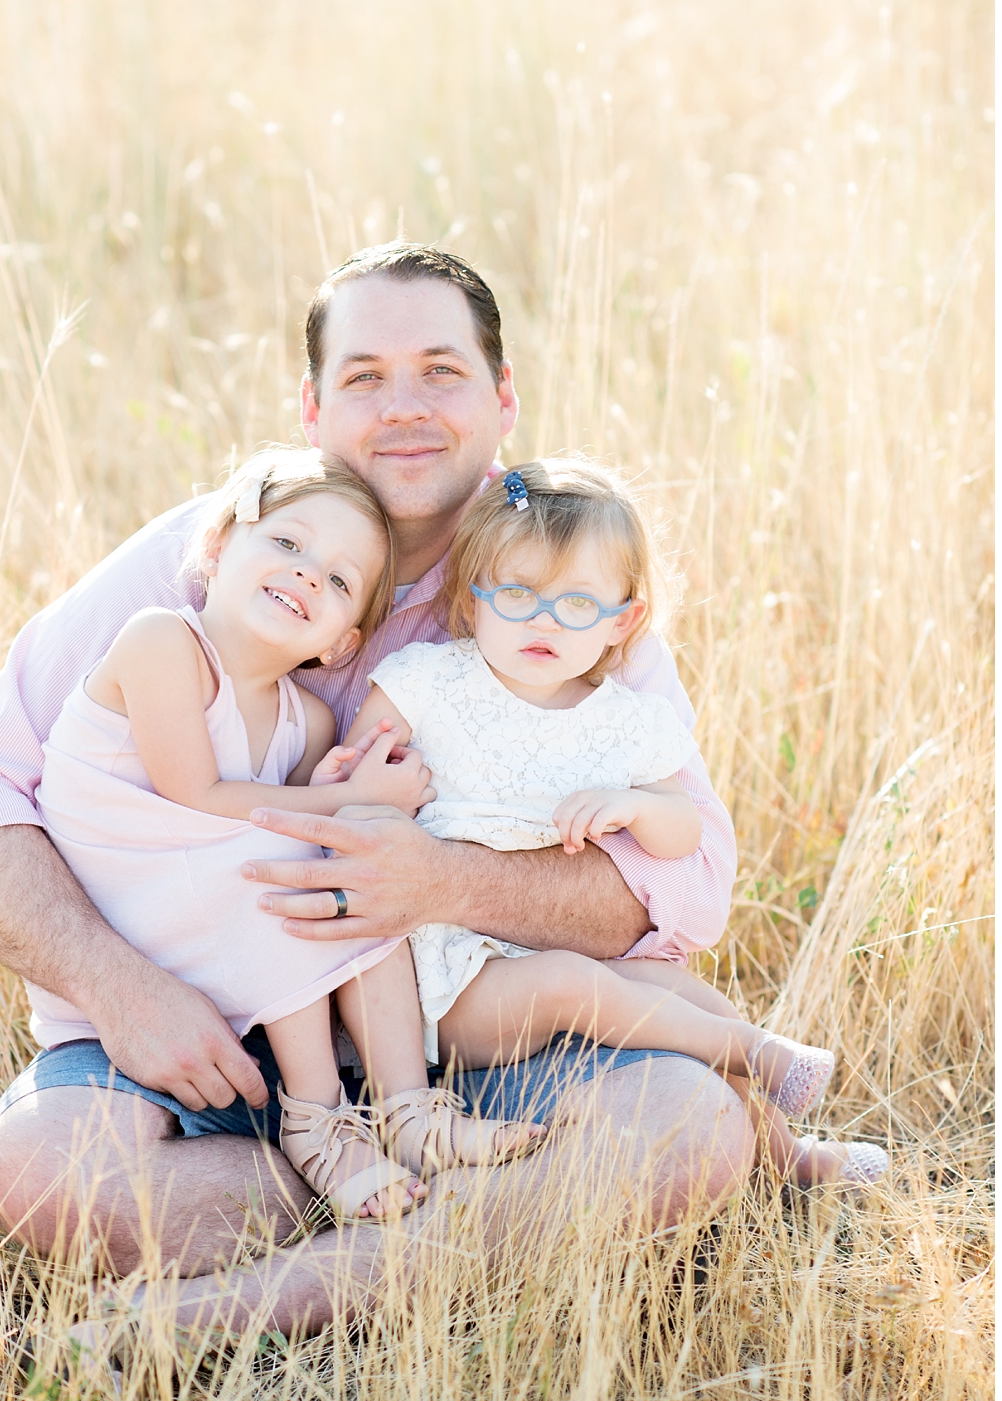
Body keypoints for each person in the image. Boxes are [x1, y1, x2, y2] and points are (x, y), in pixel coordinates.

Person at [0, 241, 753, 1340]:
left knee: (683, 1125)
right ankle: (436, 1208)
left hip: (459, 1037)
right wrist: (114, 984)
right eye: (363, 377)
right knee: (47, 1170)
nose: (403, 407)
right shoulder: (217, 552)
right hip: (205, 1036)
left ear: (502, 400)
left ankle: (224, 1309)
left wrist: (442, 881)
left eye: (441, 371)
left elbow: (679, 884)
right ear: (311, 405)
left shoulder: (560, 570)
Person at [30, 446, 545, 1224]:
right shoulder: (163, 642)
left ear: (340, 641)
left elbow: (305, 817)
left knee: (361, 862)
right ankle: (317, 1122)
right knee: (292, 858)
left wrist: (365, 802)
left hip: (205, 910)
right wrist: (346, 804)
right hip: (128, 899)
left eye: (339, 581)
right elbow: (197, 796)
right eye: (287, 543)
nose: (308, 572)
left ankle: (409, 1111)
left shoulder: (305, 719)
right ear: (219, 548)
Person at [355, 454, 882, 1186]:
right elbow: (349, 778)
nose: (543, 617)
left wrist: (635, 805)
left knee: (683, 993)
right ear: (472, 601)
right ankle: (753, 1047)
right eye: (517, 593)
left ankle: (788, 1155)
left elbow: (682, 832)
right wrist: (379, 786)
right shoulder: (425, 682)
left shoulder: (626, 723)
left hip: (576, 957)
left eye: (577, 603)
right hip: (452, 981)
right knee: (574, 981)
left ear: (622, 620)